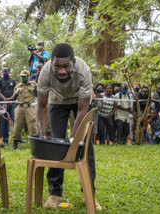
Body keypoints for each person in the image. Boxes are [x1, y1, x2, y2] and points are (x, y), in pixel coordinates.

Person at [37, 43, 101, 210]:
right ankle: (55, 193)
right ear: (52, 63)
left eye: (66, 66)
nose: (62, 71)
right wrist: (42, 135)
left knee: (85, 146)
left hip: (80, 102)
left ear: (73, 63)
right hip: (57, 101)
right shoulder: (45, 72)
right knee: (55, 145)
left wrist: (73, 139)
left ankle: (89, 194)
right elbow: (41, 106)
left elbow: (82, 109)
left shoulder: (83, 70)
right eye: (57, 66)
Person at [4, 70, 38, 150]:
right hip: (20, 106)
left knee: (32, 125)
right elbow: (14, 98)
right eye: (21, 76)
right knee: (17, 125)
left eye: (24, 76)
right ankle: (15, 143)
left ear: (28, 76)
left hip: (30, 107)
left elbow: (39, 93)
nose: (22, 78)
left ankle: (35, 145)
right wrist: (16, 93)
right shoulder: (18, 86)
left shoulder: (34, 85)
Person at [0, 67, 16, 146]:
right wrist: (5, 100)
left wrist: (10, 100)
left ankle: (17, 138)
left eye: (6, 71)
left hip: (12, 102)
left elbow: (16, 92)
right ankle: (5, 139)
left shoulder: (13, 81)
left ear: (9, 72)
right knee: (4, 121)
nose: (4, 72)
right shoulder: (0, 81)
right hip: (3, 103)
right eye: (3, 71)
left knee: (15, 119)